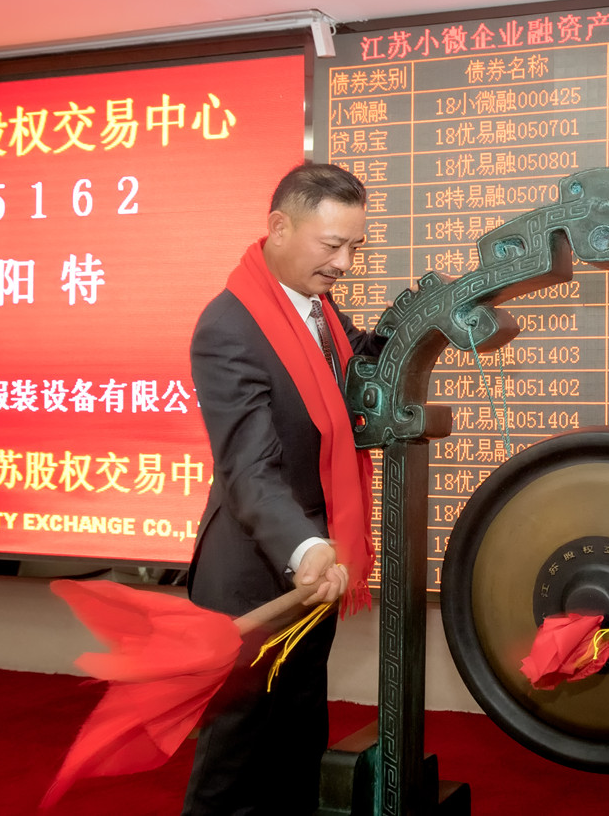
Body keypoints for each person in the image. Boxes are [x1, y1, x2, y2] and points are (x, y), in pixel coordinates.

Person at [183, 162, 383, 815]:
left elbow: (356, 365)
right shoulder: (230, 328)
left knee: (298, 739)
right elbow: (250, 468)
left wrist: (428, 323)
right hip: (255, 568)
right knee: (235, 756)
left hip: (314, 565)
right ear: (279, 227)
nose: (344, 263)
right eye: (333, 245)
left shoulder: (315, 310)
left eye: (354, 247)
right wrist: (307, 547)